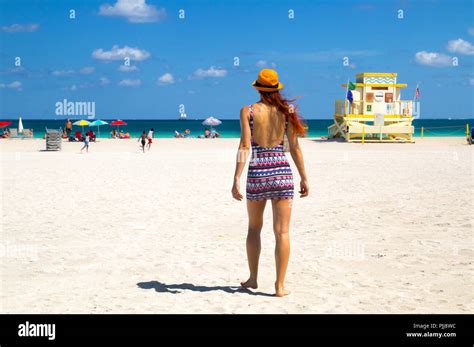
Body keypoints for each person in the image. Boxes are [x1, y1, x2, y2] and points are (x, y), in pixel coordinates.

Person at [231, 69, 309, 297]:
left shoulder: (248, 111)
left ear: (257, 88)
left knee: (254, 228)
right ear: (276, 89)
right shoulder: (287, 112)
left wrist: (236, 177)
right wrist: (304, 176)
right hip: (283, 175)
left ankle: (254, 278)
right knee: (282, 232)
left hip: (258, 175)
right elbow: (294, 147)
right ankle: (280, 286)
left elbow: (244, 146)